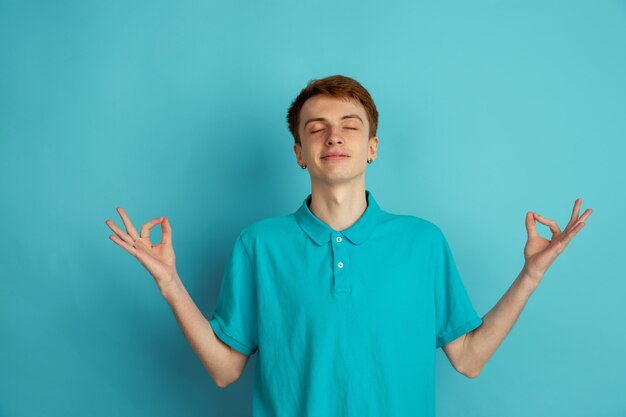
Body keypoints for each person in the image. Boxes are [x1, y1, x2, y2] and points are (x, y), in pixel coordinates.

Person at [105, 75, 593, 416]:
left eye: (350, 125)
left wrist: (531, 274)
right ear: (299, 152)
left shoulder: (423, 241)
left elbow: (468, 357)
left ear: (372, 147)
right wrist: (169, 282)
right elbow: (224, 369)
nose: (333, 135)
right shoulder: (259, 245)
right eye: (315, 127)